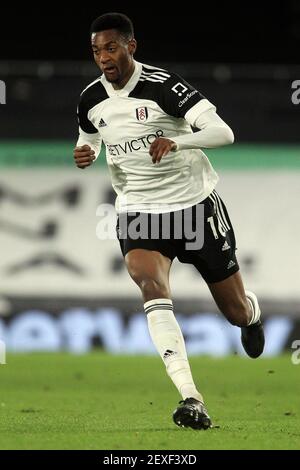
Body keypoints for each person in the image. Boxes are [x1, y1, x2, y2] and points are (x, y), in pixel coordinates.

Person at [74, 12, 265, 430]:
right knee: (150, 286)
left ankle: (252, 316)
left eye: (111, 47)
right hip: (139, 209)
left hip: (195, 205)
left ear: (130, 46)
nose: (103, 57)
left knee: (233, 311)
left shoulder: (164, 87)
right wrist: (85, 152)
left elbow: (224, 133)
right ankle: (191, 397)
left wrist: (178, 140)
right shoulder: (91, 98)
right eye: (96, 50)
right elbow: (89, 135)